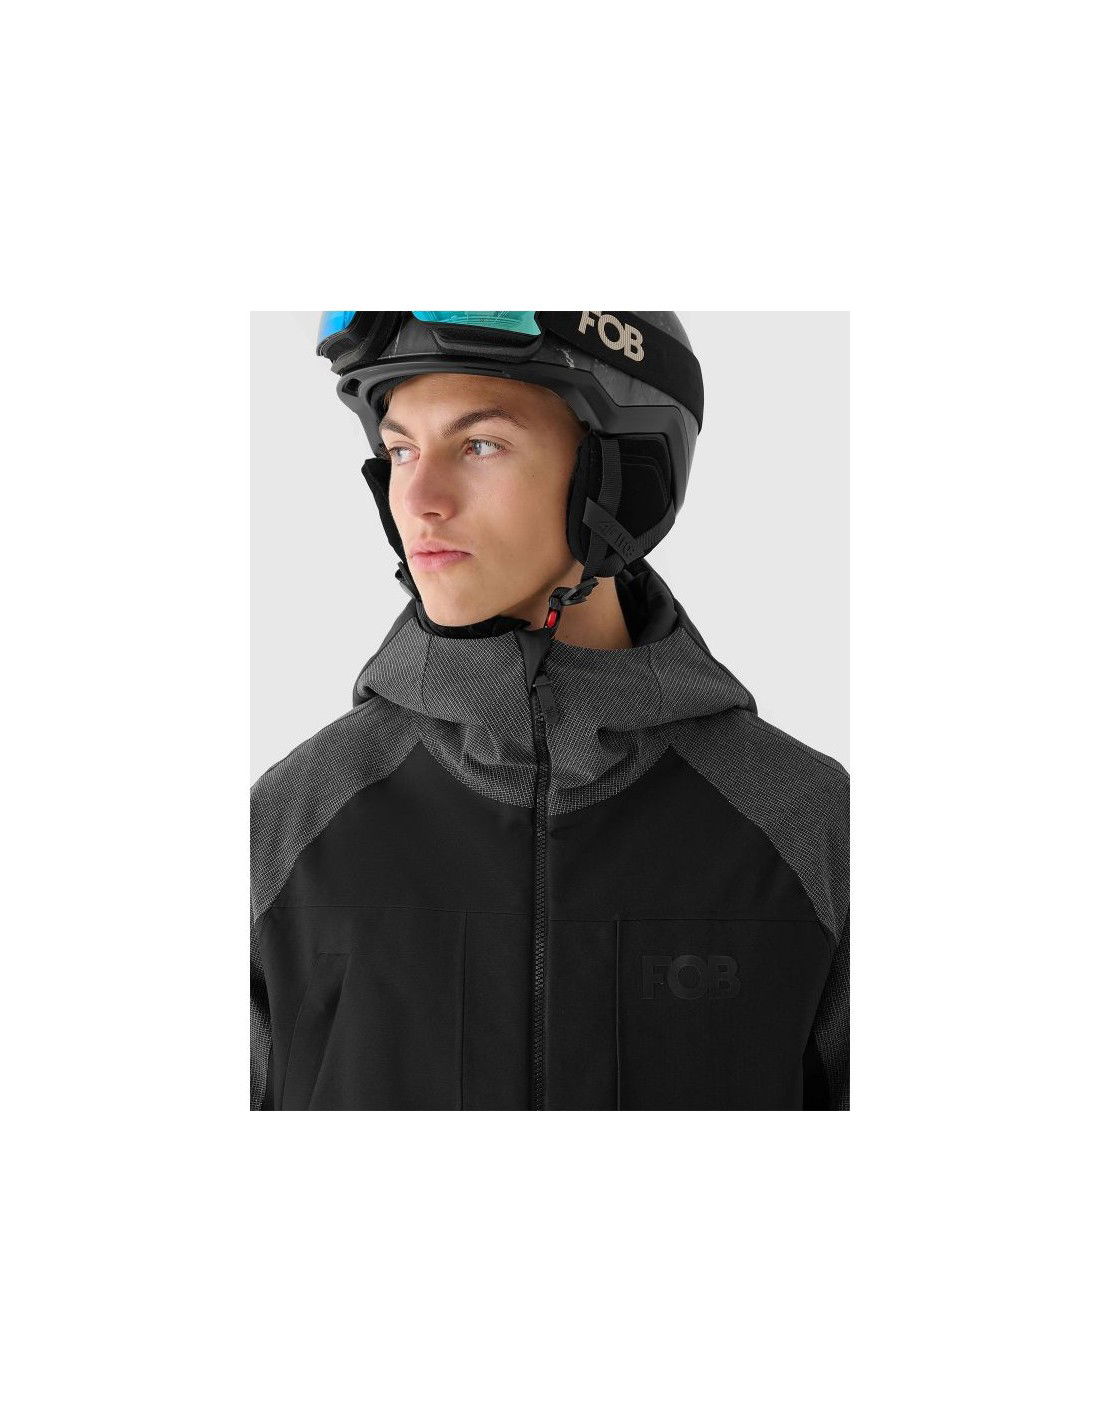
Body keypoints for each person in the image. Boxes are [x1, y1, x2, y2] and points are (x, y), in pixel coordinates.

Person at [251, 311, 849, 1110]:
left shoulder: (810, 828)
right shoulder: (288, 825)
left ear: (622, 475)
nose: (419, 500)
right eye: (401, 451)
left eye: (479, 445)